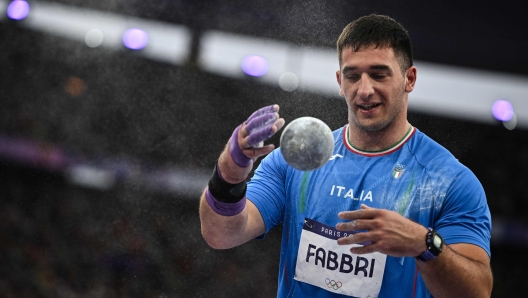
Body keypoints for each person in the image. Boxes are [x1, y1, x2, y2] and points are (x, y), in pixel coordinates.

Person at [199, 14, 493, 298]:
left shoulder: (450, 181)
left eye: (379, 74)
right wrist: (229, 172)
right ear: (340, 81)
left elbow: (477, 292)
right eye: (353, 76)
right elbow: (221, 234)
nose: (364, 90)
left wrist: (423, 243)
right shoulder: (297, 159)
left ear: (409, 78)